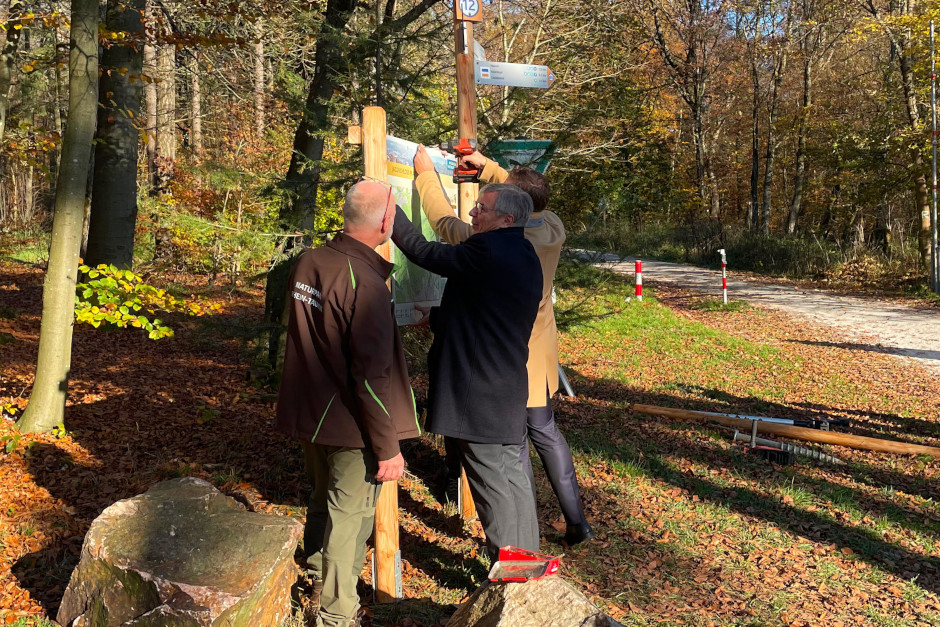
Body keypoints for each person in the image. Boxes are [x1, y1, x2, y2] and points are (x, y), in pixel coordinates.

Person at [413, 145, 594, 546]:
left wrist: (425, 176)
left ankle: (514, 543)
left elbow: (443, 224)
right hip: (537, 348)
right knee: (541, 432)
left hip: (498, 351)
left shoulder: (490, 243)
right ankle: (574, 522)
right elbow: (527, 198)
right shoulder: (551, 227)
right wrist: (489, 168)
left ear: (508, 214)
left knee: (507, 447)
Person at [276, 180, 421, 627]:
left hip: (309, 412)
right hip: (351, 426)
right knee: (349, 517)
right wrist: (388, 447)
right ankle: (336, 615)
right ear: (385, 220)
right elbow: (371, 380)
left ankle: (317, 577)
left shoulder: (311, 261)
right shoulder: (367, 285)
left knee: (322, 502)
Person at [391, 180, 542, 561]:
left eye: (482, 209)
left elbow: (424, 252)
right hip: (507, 387)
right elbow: (492, 312)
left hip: (479, 394)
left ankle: (512, 572)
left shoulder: (487, 248)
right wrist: (440, 317)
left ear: (506, 218)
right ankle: (530, 560)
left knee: (491, 483)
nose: (473, 214)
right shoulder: (523, 251)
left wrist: (390, 212)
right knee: (513, 477)